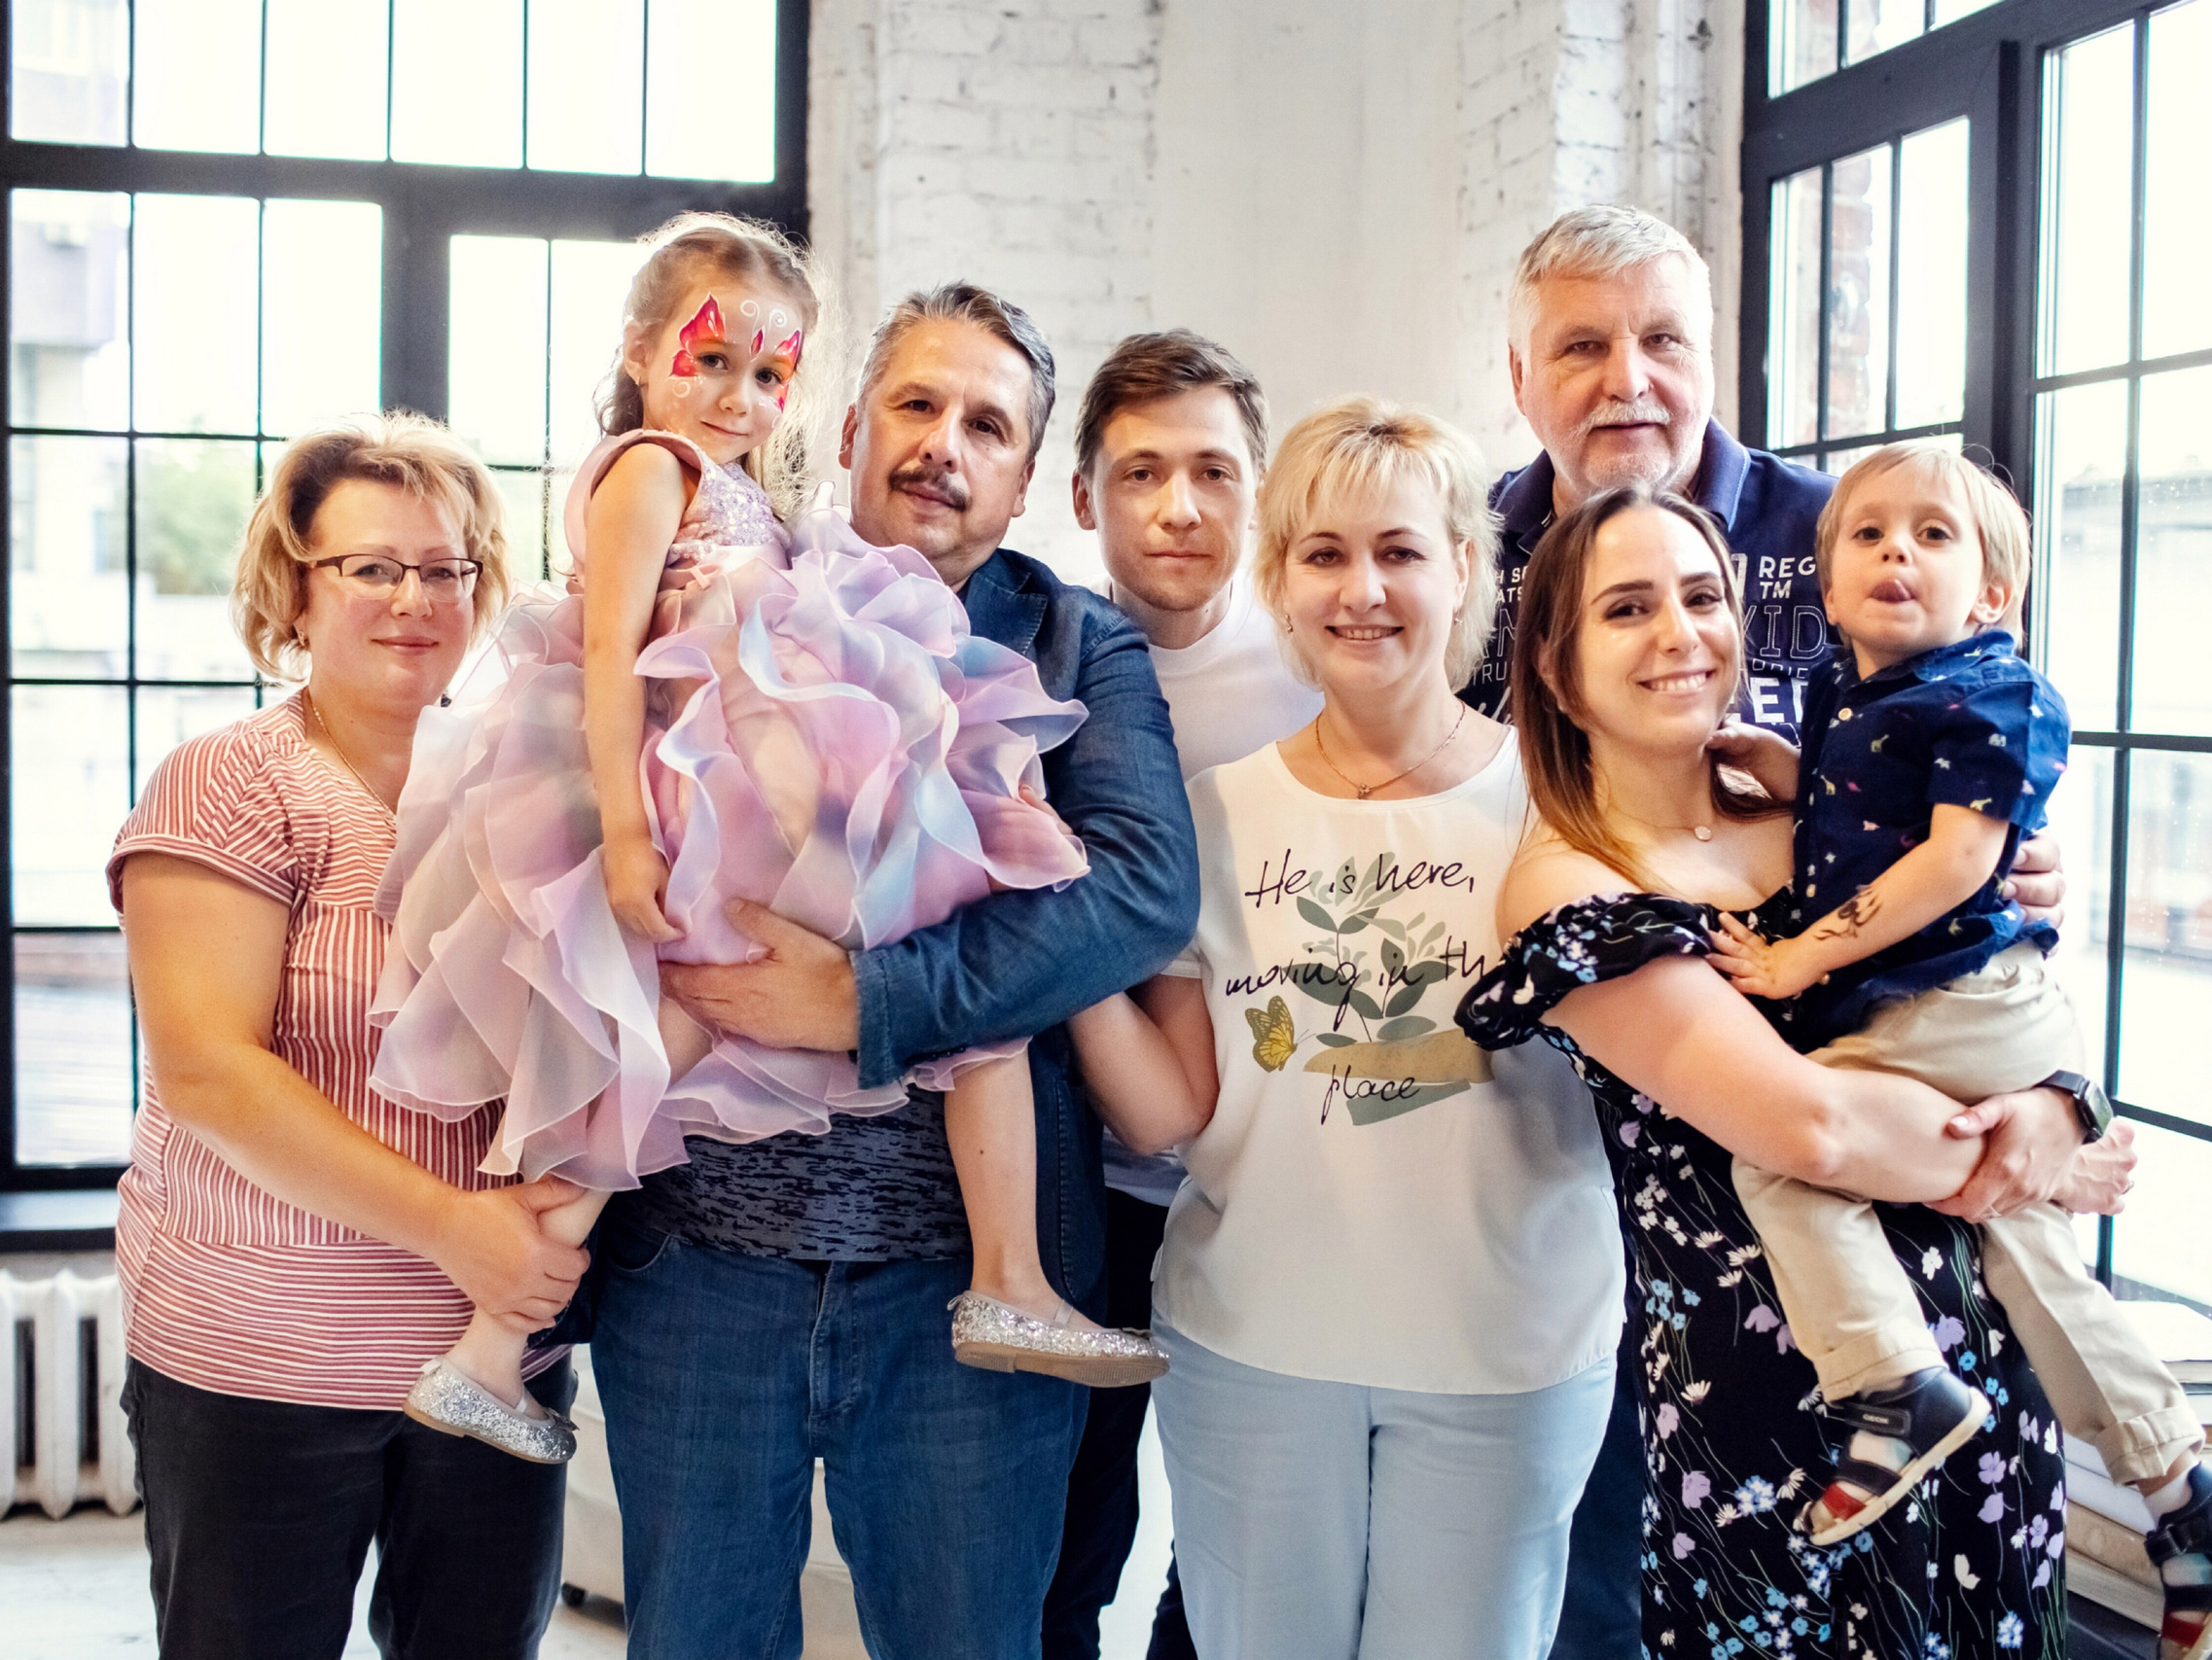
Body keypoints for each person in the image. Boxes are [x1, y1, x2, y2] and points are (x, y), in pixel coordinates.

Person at [368, 215, 1160, 1466]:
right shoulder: (648, 470)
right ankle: (492, 1336)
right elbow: (612, 657)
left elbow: (1141, 897)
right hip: (705, 805)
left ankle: (485, 1350)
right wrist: (631, 836)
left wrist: (860, 981)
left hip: (748, 799)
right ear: (638, 348)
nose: (739, 394)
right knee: (919, 941)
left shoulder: (1046, 621)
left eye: (769, 372)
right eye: (710, 359)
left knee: (672, 1062)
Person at [1473, 204, 2106, 1658]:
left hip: (1968, 1339)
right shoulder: (1488, 581)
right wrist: (2012, 1143)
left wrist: (2055, 1089)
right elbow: (1814, 1126)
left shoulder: (1851, 538)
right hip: (1729, 1356)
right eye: (1582, 343)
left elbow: (1972, 866)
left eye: (1701, 599)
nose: (1681, 635)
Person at [584, 281, 1201, 1660]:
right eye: (918, 404)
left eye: (989, 423)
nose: (945, 443)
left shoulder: (1075, 639)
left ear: (1027, 477)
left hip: (960, 1294)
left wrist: (873, 1000)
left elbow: (1137, 894)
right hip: (697, 1268)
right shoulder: (731, 573)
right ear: (853, 423)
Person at [1703, 444, 2212, 1659]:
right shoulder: (1856, 701)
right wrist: (1787, 774)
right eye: (1865, 535)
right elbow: (1872, 811)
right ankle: (2185, 1495)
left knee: (1785, 1154)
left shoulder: (1989, 691)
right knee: (2019, 1239)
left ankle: (1894, 1383)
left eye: (1931, 535)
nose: (1894, 553)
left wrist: (1805, 958)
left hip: (1959, 999)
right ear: (1823, 578)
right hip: (1949, 1001)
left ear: (1991, 593)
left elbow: (1957, 860)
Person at [1066, 399, 1623, 1660]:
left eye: (1400, 550)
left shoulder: (1572, 803)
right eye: (1323, 553)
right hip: (1259, 1346)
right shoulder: (1210, 814)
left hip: (1507, 1354)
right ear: (1280, 579)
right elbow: (1166, 1112)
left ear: (1465, 569)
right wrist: (1065, 935)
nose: (1361, 588)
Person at [113, 414, 585, 1658]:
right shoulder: (231, 781)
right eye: (370, 567)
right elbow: (211, 1072)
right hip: (259, 1364)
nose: (412, 599)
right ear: (294, 583)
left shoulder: (527, 785)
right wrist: (457, 1230)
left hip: (491, 1362)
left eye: (446, 568)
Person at [1045, 330, 1317, 1659]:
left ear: (1256, 490)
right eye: (1142, 471)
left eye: (1214, 471)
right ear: (1084, 493)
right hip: (1074, 1183)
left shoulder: (1316, 671)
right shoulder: (1029, 662)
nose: (1180, 506)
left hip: (1258, 1182)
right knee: (1065, 1539)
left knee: (1229, 1550)